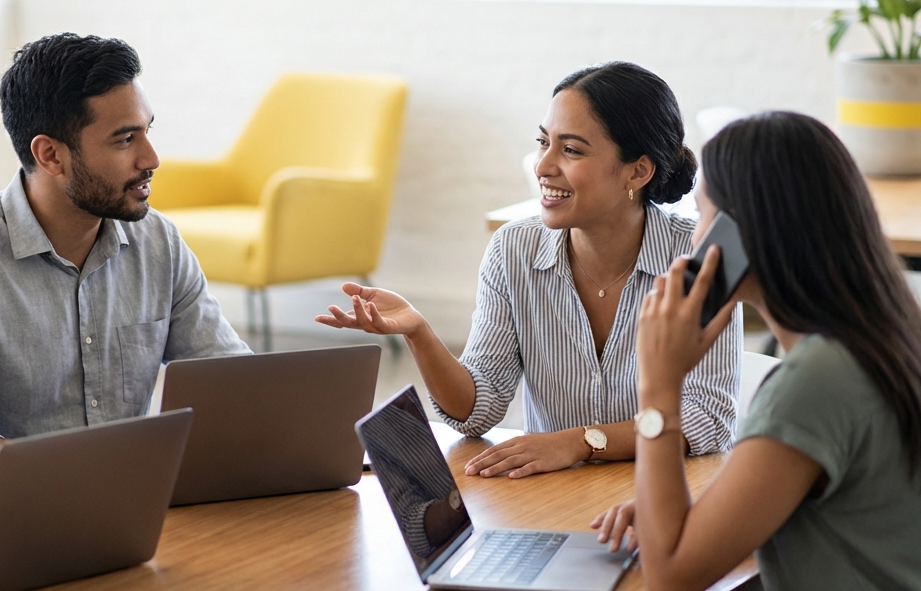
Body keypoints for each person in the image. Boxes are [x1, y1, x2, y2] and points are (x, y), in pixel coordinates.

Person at [543, 111, 921, 591]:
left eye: (705, 217)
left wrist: (659, 387)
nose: (691, 241)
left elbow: (673, 574)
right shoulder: (883, 337)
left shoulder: (818, 377)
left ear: (741, 237)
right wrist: (683, 506)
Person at [317, 62, 740, 479]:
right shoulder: (513, 249)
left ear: (638, 170)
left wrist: (579, 442)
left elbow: (706, 420)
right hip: (553, 496)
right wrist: (420, 333)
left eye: (571, 150)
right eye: (544, 142)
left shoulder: (698, 259)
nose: (543, 166)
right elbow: (477, 411)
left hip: (667, 492)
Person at [0, 34, 248, 487]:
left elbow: (231, 381)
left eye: (147, 131)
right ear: (51, 155)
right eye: (124, 140)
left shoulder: (156, 241)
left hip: (131, 508)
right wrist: (76, 470)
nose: (151, 158)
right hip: (13, 523)